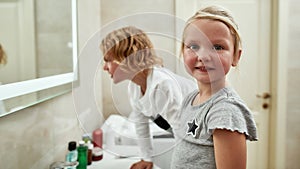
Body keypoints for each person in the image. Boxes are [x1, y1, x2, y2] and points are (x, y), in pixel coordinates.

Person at [171, 5, 258, 169]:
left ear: (235, 56)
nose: (203, 56)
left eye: (217, 47)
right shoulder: (191, 99)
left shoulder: (225, 111)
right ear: (183, 52)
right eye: (194, 46)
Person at [100, 26, 197, 169]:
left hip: (202, 129)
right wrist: (146, 158)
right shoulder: (134, 88)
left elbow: (181, 132)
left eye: (108, 60)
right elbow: (140, 124)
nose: (104, 67)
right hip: (186, 132)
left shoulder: (162, 85)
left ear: (125, 59)